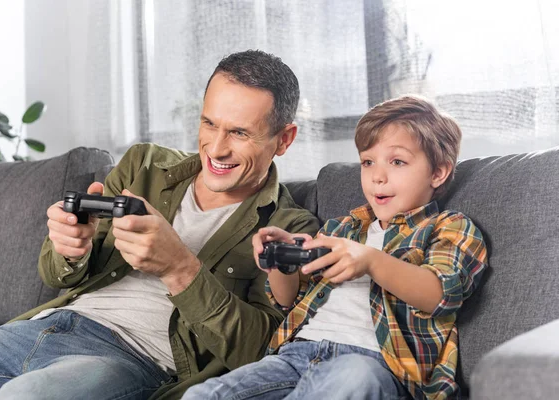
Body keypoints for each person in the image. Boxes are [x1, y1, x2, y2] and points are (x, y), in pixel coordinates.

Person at [0, 50, 319, 400]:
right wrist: (70, 249)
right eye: (209, 123)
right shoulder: (144, 165)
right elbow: (58, 277)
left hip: (132, 358)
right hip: (46, 325)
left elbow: (262, 351)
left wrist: (179, 267)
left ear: (284, 139)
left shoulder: (290, 226)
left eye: (239, 133)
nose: (216, 148)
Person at [183, 95, 489, 400]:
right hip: (295, 356)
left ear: (438, 172)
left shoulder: (448, 228)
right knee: (202, 395)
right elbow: (287, 299)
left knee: (354, 378)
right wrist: (282, 262)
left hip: (375, 365)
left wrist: (370, 260)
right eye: (368, 162)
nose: (377, 176)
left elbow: (441, 295)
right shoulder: (342, 229)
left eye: (397, 161)